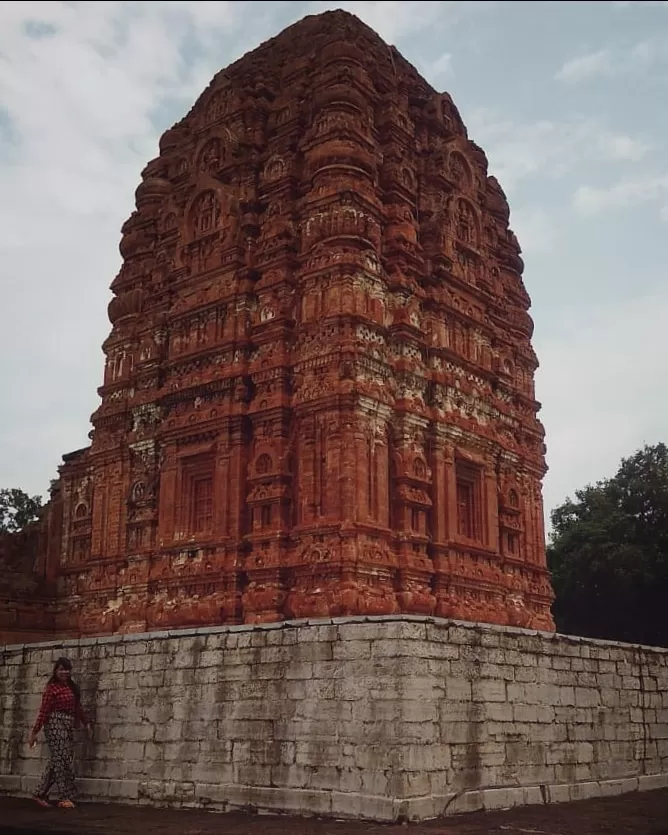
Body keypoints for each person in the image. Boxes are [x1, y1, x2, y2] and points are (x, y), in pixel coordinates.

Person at [28, 657, 92, 809]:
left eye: (67, 669)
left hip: (67, 722)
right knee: (61, 759)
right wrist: (34, 731)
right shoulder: (51, 689)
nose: (64, 672)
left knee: (60, 759)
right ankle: (64, 796)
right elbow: (44, 711)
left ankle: (40, 793)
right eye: (61, 669)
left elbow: (78, 708)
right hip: (54, 723)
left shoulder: (71, 688)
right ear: (56, 671)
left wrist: (86, 722)